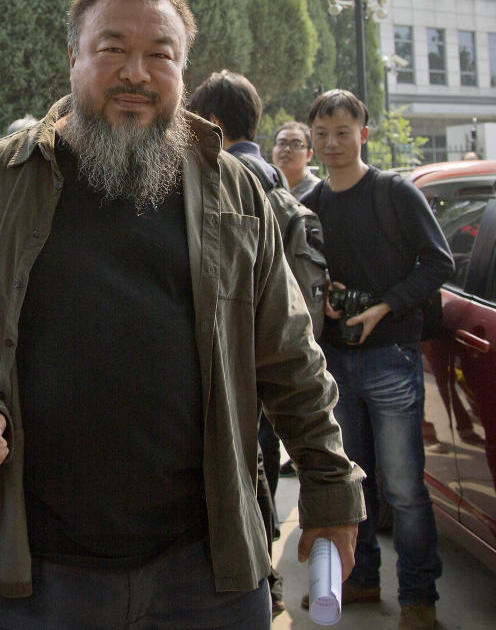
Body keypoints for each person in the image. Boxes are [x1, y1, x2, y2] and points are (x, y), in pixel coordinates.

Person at [0, 0, 364, 629]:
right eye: (112, 49)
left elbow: (289, 357)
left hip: (207, 570)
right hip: (30, 573)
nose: (136, 73)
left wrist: (329, 489)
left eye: (161, 54)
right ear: (73, 58)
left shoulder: (234, 193)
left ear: (183, 67)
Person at [300, 89, 454, 630]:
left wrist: (383, 307)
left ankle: (418, 598)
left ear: (363, 134)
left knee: (405, 488)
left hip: (391, 357)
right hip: (335, 364)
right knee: (353, 482)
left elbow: (439, 262)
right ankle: (360, 580)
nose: (331, 143)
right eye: (322, 133)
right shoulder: (312, 203)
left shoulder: (394, 192)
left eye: (343, 132)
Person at [188, 69, 292, 616]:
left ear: (211, 121)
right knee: (257, 461)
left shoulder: (226, 176)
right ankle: (262, 563)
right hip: (272, 347)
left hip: (239, 352)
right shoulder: (277, 176)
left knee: (244, 466)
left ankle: (259, 568)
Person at [273, 120, 320, 199]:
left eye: (296, 145)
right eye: (281, 143)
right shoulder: (264, 188)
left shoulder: (318, 192)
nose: (287, 149)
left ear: (309, 155)